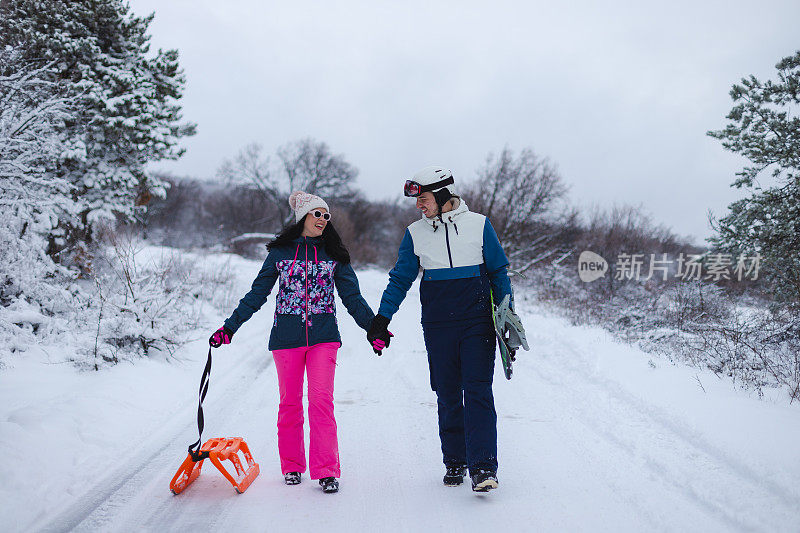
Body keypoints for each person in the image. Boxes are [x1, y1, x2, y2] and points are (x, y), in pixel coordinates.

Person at [209, 191, 388, 494]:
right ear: (303, 217)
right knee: (290, 403)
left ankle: (326, 470)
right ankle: (292, 465)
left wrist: (373, 329)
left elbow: (352, 297)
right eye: (317, 213)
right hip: (286, 338)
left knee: (321, 401)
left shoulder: (334, 255)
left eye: (326, 215)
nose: (323, 219)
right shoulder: (280, 253)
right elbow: (257, 294)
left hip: (324, 338)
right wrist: (230, 327)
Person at [366, 166, 514, 492]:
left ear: (444, 195)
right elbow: (401, 278)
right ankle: (455, 461)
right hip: (437, 324)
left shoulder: (479, 225)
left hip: (477, 322)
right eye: (417, 200)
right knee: (447, 393)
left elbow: (499, 274)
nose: (419, 205)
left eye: (424, 198)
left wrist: (507, 319)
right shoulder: (414, 233)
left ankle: (483, 467)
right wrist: (382, 318)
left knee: (477, 390)